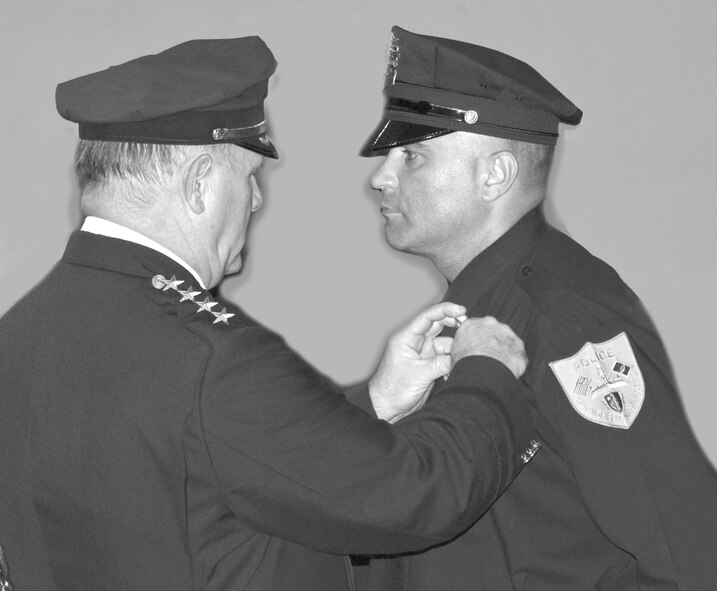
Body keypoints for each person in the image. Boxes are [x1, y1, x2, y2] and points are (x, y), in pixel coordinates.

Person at [0, 36, 542, 591]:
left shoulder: (21, 333)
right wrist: (486, 372)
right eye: (249, 177)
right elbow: (414, 496)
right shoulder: (214, 357)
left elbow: (218, 460)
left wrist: (372, 405)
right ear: (199, 184)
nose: (256, 201)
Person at [356, 25, 717, 591]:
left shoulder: (568, 321)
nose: (380, 178)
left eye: (413, 156)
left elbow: (686, 552)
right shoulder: (475, 314)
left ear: (494, 175)